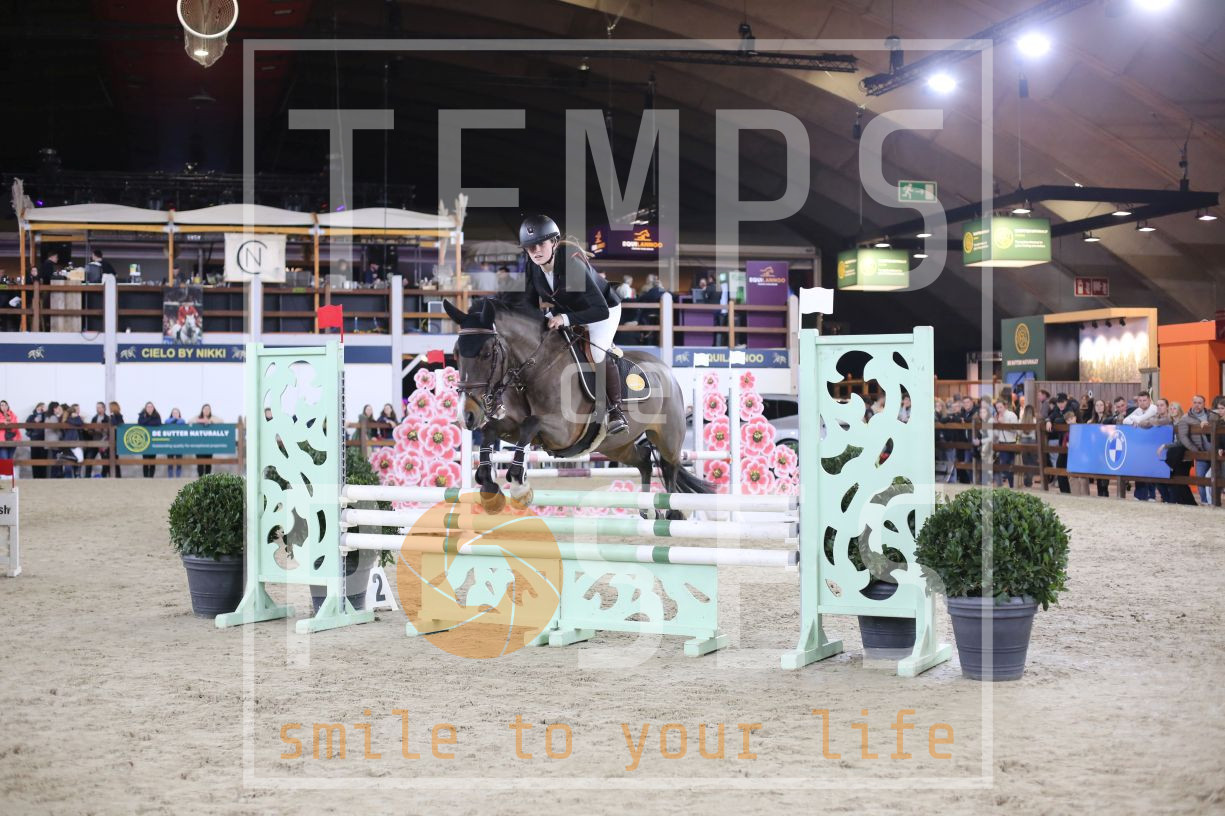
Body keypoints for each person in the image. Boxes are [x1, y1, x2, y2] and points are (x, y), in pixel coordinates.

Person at [509, 214, 628, 433]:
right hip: (568, 310)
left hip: (604, 310)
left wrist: (564, 319)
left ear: (554, 242)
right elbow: (529, 303)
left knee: (596, 351)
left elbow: (600, 310)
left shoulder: (571, 264)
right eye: (530, 247)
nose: (536, 250)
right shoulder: (533, 266)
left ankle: (616, 411)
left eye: (541, 244)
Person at [1123, 391, 1159, 500]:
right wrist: (1133, 421)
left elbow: (1141, 419)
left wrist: (1136, 420)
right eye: (1140, 400)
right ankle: (1139, 495)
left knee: (1150, 469)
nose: (1142, 402)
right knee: (1139, 468)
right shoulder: (1138, 410)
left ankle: (1151, 495)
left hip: (1152, 444)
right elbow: (1125, 420)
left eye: (1144, 400)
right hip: (1140, 444)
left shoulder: (1153, 408)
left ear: (1149, 400)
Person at [993, 398, 1019, 487]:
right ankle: (1004, 484)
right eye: (997, 408)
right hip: (1001, 442)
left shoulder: (1012, 415)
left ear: (1005, 406)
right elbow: (996, 434)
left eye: (1000, 407)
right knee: (1003, 464)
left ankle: (1012, 485)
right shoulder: (997, 417)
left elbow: (1015, 430)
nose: (999, 409)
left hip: (1011, 442)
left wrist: (1003, 423)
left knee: (1009, 464)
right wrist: (996, 424)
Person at [84, 401, 108, 477]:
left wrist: (101, 430)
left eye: (99, 407)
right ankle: (87, 476)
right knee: (89, 458)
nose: (97, 409)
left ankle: (104, 476)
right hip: (94, 441)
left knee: (105, 460)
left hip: (104, 442)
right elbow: (91, 430)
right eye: (97, 407)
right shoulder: (94, 418)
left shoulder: (107, 418)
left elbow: (109, 432)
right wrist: (90, 430)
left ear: (104, 408)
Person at [192, 404, 218, 476]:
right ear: (202, 410)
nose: (206, 410)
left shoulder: (213, 417)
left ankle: (207, 478)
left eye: (208, 409)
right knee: (200, 462)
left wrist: (211, 421)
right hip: (199, 444)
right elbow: (190, 421)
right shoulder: (197, 417)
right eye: (205, 409)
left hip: (209, 444)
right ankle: (200, 477)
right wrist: (201, 420)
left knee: (208, 463)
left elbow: (221, 421)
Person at [137, 401, 161, 477]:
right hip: (144, 440)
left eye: (151, 407)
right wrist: (150, 418)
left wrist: (148, 421)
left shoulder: (157, 415)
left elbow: (157, 423)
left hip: (154, 441)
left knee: (153, 460)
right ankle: (145, 477)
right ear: (145, 408)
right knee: (145, 460)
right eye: (148, 407)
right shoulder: (142, 415)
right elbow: (141, 423)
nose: (149, 408)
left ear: (153, 408)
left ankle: (151, 476)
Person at [165, 408, 186, 477]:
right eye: (173, 413)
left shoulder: (182, 421)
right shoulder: (168, 420)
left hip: (179, 444)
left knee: (179, 462)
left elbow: (182, 422)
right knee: (170, 462)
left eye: (176, 413)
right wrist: (174, 420)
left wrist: (176, 420)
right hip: (169, 444)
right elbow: (167, 422)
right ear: (171, 414)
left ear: (179, 414)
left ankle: (178, 476)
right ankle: (170, 476)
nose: (175, 414)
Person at [107, 401, 124, 477]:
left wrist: (112, 416)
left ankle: (117, 475)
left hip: (116, 439)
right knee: (112, 457)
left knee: (115, 457)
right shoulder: (114, 415)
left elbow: (114, 424)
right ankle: (114, 474)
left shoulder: (118, 416)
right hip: (112, 439)